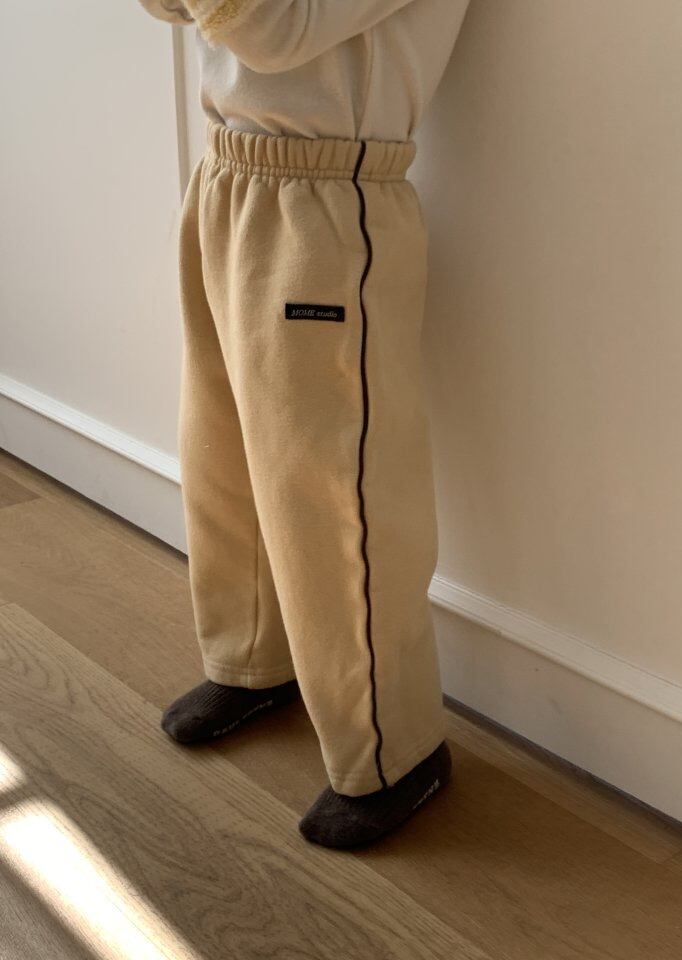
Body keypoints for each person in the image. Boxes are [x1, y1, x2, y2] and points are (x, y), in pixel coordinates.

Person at [137, 0, 469, 848]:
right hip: (227, 171)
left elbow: (271, 28)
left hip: (331, 195)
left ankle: (394, 749)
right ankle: (253, 657)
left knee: (335, 497)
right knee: (223, 454)